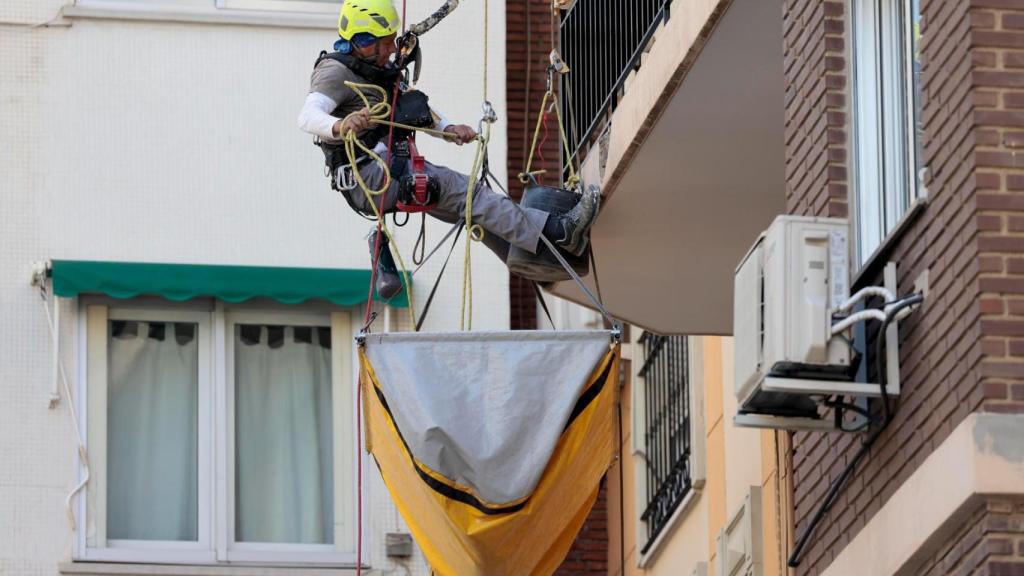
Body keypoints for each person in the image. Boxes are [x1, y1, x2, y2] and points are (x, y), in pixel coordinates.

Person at [297, 0, 600, 267]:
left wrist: (448, 129)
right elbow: (308, 116)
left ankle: (529, 257)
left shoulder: (377, 70)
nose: (391, 49)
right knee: (469, 194)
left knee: (466, 208)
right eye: (386, 42)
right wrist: (340, 125)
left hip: (389, 171)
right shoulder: (335, 72)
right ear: (363, 41)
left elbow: (411, 110)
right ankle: (561, 231)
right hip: (373, 177)